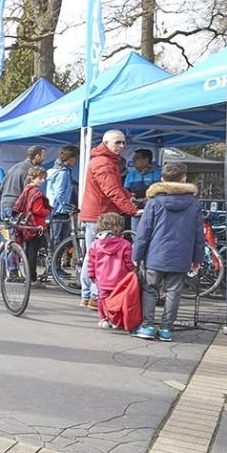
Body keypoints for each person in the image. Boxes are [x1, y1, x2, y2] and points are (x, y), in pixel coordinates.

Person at [131, 162, 204, 341]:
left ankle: (148, 326)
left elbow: (143, 232)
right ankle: (166, 329)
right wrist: (197, 258)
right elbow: (198, 234)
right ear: (184, 178)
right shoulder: (194, 204)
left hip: (155, 255)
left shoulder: (154, 202)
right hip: (181, 256)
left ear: (162, 178)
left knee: (149, 289)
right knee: (174, 291)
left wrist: (136, 255)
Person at [80, 130, 140, 308]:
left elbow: (115, 188)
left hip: (98, 213)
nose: (122, 146)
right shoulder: (103, 163)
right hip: (100, 215)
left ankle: (89, 295)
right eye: (118, 143)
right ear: (106, 143)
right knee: (100, 256)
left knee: (92, 255)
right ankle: (93, 295)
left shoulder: (105, 161)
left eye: (123, 142)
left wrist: (129, 196)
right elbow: (111, 190)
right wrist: (131, 209)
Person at [86, 213, 134, 329]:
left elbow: (91, 262)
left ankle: (103, 318)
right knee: (119, 299)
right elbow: (129, 262)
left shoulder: (95, 244)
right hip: (120, 279)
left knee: (102, 299)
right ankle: (116, 319)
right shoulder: (125, 244)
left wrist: (91, 274)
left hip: (102, 279)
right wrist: (132, 271)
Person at [12, 166, 52, 286]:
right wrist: (48, 211)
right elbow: (37, 209)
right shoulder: (36, 192)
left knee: (29, 251)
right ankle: (32, 279)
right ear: (33, 178)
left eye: (43, 178)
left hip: (26, 224)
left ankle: (28, 277)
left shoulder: (27, 190)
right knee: (33, 252)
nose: (43, 180)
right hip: (36, 225)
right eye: (40, 178)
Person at [45, 145, 80, 245]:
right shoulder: (62, 173)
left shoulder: (57, 170)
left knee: (57, 239)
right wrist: (67, 207)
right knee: (60, 240)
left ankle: (55, 258)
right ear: (70, 158)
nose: (76, 161)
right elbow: (59, 193)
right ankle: (55, 259)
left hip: (55, 210)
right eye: (75, 158)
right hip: (60, 211)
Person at [0, 145, 45, 218]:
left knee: (5, 229)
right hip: (16, 207)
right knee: (18, 229)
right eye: (43, 156)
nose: (44, 158)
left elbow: (1, 187)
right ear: (37, 156)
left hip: (4, 204)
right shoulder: (32, 170)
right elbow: (29, 193)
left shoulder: (14, 167)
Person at [124, 149, 160, 231]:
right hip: (136, 209)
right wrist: (130, 199)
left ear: (146, 160)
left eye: (137, 158)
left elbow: (160, 192)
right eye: (133, 158)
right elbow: (125, 191)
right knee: (135, 234)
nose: (133, 160)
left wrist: (146, 200)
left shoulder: (158, 172)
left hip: (153, 210)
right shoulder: (131, 173)